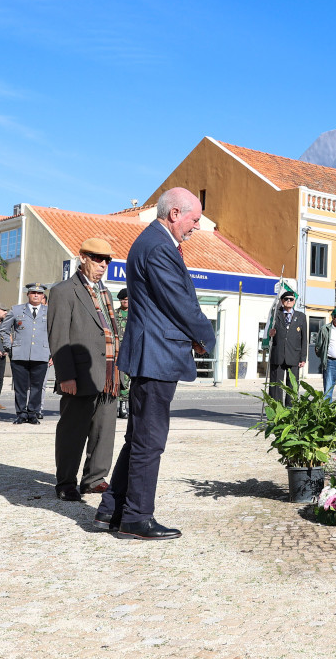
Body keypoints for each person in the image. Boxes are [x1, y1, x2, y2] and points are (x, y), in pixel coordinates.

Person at [96, 188, 215, 540]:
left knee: (138, 438)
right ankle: (136, 518)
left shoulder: (153, 241)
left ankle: (110, 511)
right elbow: (178, 302)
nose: (196, 226)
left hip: (154, 353)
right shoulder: (159, 245)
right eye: (194, 219)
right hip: (157, 355)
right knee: (149, 441)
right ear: (175, 213)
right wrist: (206, 336)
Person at [47, 238, 122, 502]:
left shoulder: (106, 293)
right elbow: (59, 337)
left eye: (107, 260)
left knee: (104, 431)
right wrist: (65, 375)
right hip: (78, 375)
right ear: (83, 258)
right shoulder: (63, 291)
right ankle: (66, 482)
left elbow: (113, 333)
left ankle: (95, 479)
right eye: (97, 258)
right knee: (72, 431)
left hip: (109, 374)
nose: (103, 264)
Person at [3, 283, 51, 424]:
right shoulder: (16, 310)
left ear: (43, 296)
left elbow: (55, 332)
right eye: (33, 292)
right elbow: (4, 329)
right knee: (20, 386)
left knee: (37, 386)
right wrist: (9, 347)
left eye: (39, 293)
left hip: (41, 354)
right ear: (27, 294)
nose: (36, 295)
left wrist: (51, 352)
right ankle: (21, 413)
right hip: (19, 353)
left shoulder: (50, 311)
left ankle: (33, 413)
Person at [265, 290, 307, 404]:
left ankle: (291, 410)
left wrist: (303, 358)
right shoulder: (275, 314)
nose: (288, 301)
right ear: (282, 301)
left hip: (294, 355)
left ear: (294, 301)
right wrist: (270, 333)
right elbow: (268, 330)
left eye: (291, 299)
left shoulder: (301, 316)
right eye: (286, 299)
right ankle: (275, 411)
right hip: (278, 354)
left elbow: (304, 338)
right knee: (275, 386)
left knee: (292, 385)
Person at [114, 288, 130, 418]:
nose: (125, 301)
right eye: (123, 300)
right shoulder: (114, 314)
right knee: (121, 379)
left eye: (127, 299)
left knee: (130, 379)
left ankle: (126, 405)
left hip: (133, 351)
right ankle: (121, 407)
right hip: (118, 352)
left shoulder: (136, 314)